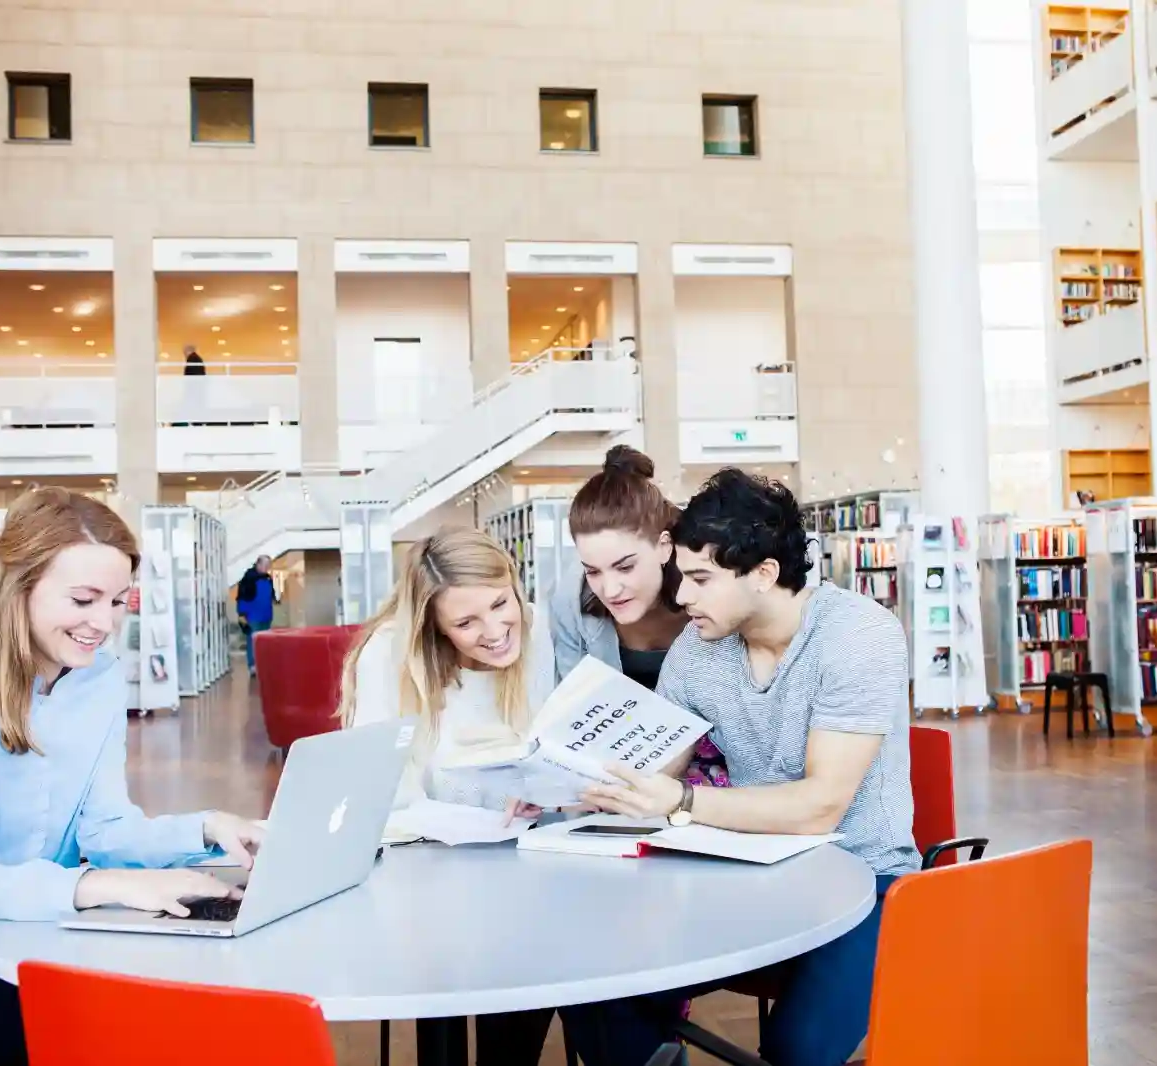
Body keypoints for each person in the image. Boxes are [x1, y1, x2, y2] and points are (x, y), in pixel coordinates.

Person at [0, 488, 264, 1066]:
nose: (103, 623)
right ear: (20, 586)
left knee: (191, 1024)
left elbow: (105, 830)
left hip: (36, 945)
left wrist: (207, 828)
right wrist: (105, 886)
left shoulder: (98, 680)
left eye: (118, 601)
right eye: (83, 599)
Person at [564, 468, 916, 1066]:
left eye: (700, 579)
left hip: (866, 879)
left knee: (795, 1049)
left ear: (764, 574)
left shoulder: (857, 636)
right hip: (750, 870)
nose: (681, 598)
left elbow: (820, 806)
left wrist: (679, 803)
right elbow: (658, 763)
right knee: (601, 989)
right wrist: (574, 781)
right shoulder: (699, 647)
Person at [337, 527, 557, 1064]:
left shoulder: (534, 625)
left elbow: (542, 743)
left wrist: (542, 787)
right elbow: (376, 794)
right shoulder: (390, 654)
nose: (496, 630)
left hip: (522, 864)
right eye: (465, 623)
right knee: (445, 959)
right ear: (431, 625)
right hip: (423, 869)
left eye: (501, 603)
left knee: (531, 956)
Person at [551, 444, 727, 785]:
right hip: (615, 772)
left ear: (664, 547)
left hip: (719, 765)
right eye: (593, 571)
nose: (610, 589)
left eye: (625, 566)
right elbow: (572, 712)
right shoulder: (570, 600)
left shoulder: (711, 591)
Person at [236, 554, 275, 677]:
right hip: (253, 617)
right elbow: (241, 597)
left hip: (266, 616)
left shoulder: (268, 579)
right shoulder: (248, 579)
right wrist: (242, 615)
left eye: (268, 565)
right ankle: (253, 666)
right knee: (253, 641)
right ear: (258, 564)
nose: (267, 567)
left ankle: (263, 665)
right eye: (265, 565)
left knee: (265, 643)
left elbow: (271, 596)